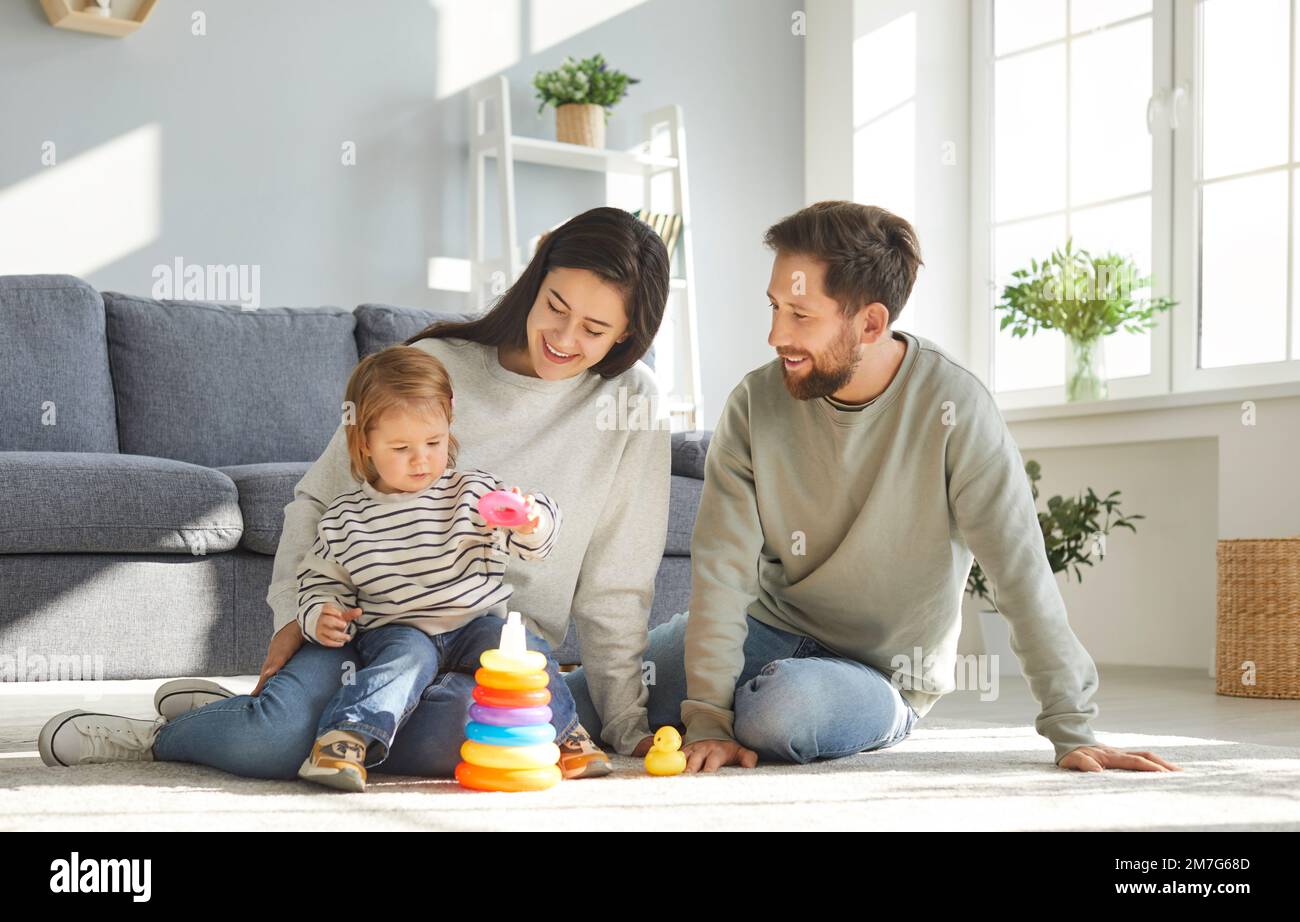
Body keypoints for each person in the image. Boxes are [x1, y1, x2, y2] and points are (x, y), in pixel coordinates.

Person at [39, 206, 672, 780]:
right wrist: (293, 612)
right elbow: (319, 500)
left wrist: (627, 728)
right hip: (374, 629)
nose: (564, 338)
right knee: (281, 740)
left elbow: (619, 581)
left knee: (488, 737)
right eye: (555, 306)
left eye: (594, 328)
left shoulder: (631, 403)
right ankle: (173, 736)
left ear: (625, 336)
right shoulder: (435, 366)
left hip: (492, 644)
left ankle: (270, 714)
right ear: (535, 281)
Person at [567, 200, 1183, 775]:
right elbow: (724, 567)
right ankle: (727, 696)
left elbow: (1018, 567)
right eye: (774, 306)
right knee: (577, 701)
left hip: (881, 671)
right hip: (769, 627)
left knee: (779, 712)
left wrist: (1072, 729)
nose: (776, 334)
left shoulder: (953, 405)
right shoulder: (757, 401)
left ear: (870, 322)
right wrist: (705, 715)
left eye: (800, 315)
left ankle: (833, 711)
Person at [294, 345, 572, 791]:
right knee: (407, 657)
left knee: (518, 649)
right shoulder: (345, 519)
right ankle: (342, 739)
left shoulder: (472, 493)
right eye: (400, 447)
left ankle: (565, 733)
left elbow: (537, 536)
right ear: (364, 441)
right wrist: (320, 614)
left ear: (449, 423)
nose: (421, 459)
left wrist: (530, 520)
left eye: (433, 443)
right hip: (397, 628)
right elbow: (319, 583)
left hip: (473, 623)